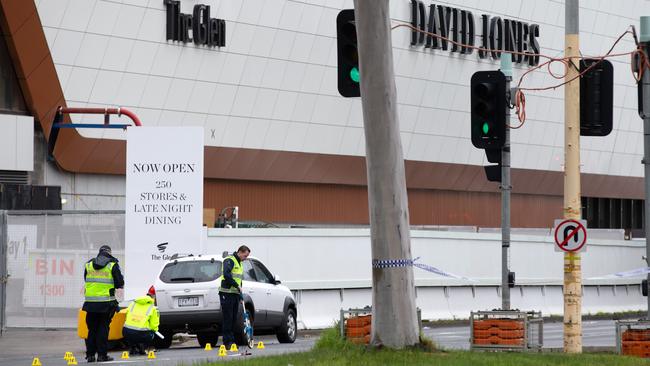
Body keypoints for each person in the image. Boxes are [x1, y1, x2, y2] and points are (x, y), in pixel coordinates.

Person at [83, 245, 124, 363]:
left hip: (90, 304)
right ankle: (102, 355)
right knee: (103, 329)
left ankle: (90, 355)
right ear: (109, 253)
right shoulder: (112, 265)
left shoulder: (89, 264)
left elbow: (87, 280)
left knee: (92, 330)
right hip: (106, 304)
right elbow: (119, 283)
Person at [219, 245, 250, 349]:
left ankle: (231, 341)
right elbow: (227, 275)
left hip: (235, 294)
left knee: (233, 319)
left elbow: (238, 280)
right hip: (226, 293)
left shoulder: (240, 263)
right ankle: (227, 342)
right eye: (245, 256)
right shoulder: (229, 260)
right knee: (228, 318)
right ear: (240, 252)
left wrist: (240, 296)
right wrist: (236, 286)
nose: (245, 258)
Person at [122, 286, 160, 355]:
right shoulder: (153, 308)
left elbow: (127, 317)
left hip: (126, 332)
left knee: (132, 331)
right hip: (142, 335)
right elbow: (154, 326)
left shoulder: (133, 303)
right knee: (152, 332)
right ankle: (143, 347)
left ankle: (133, 346)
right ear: (154, 296)